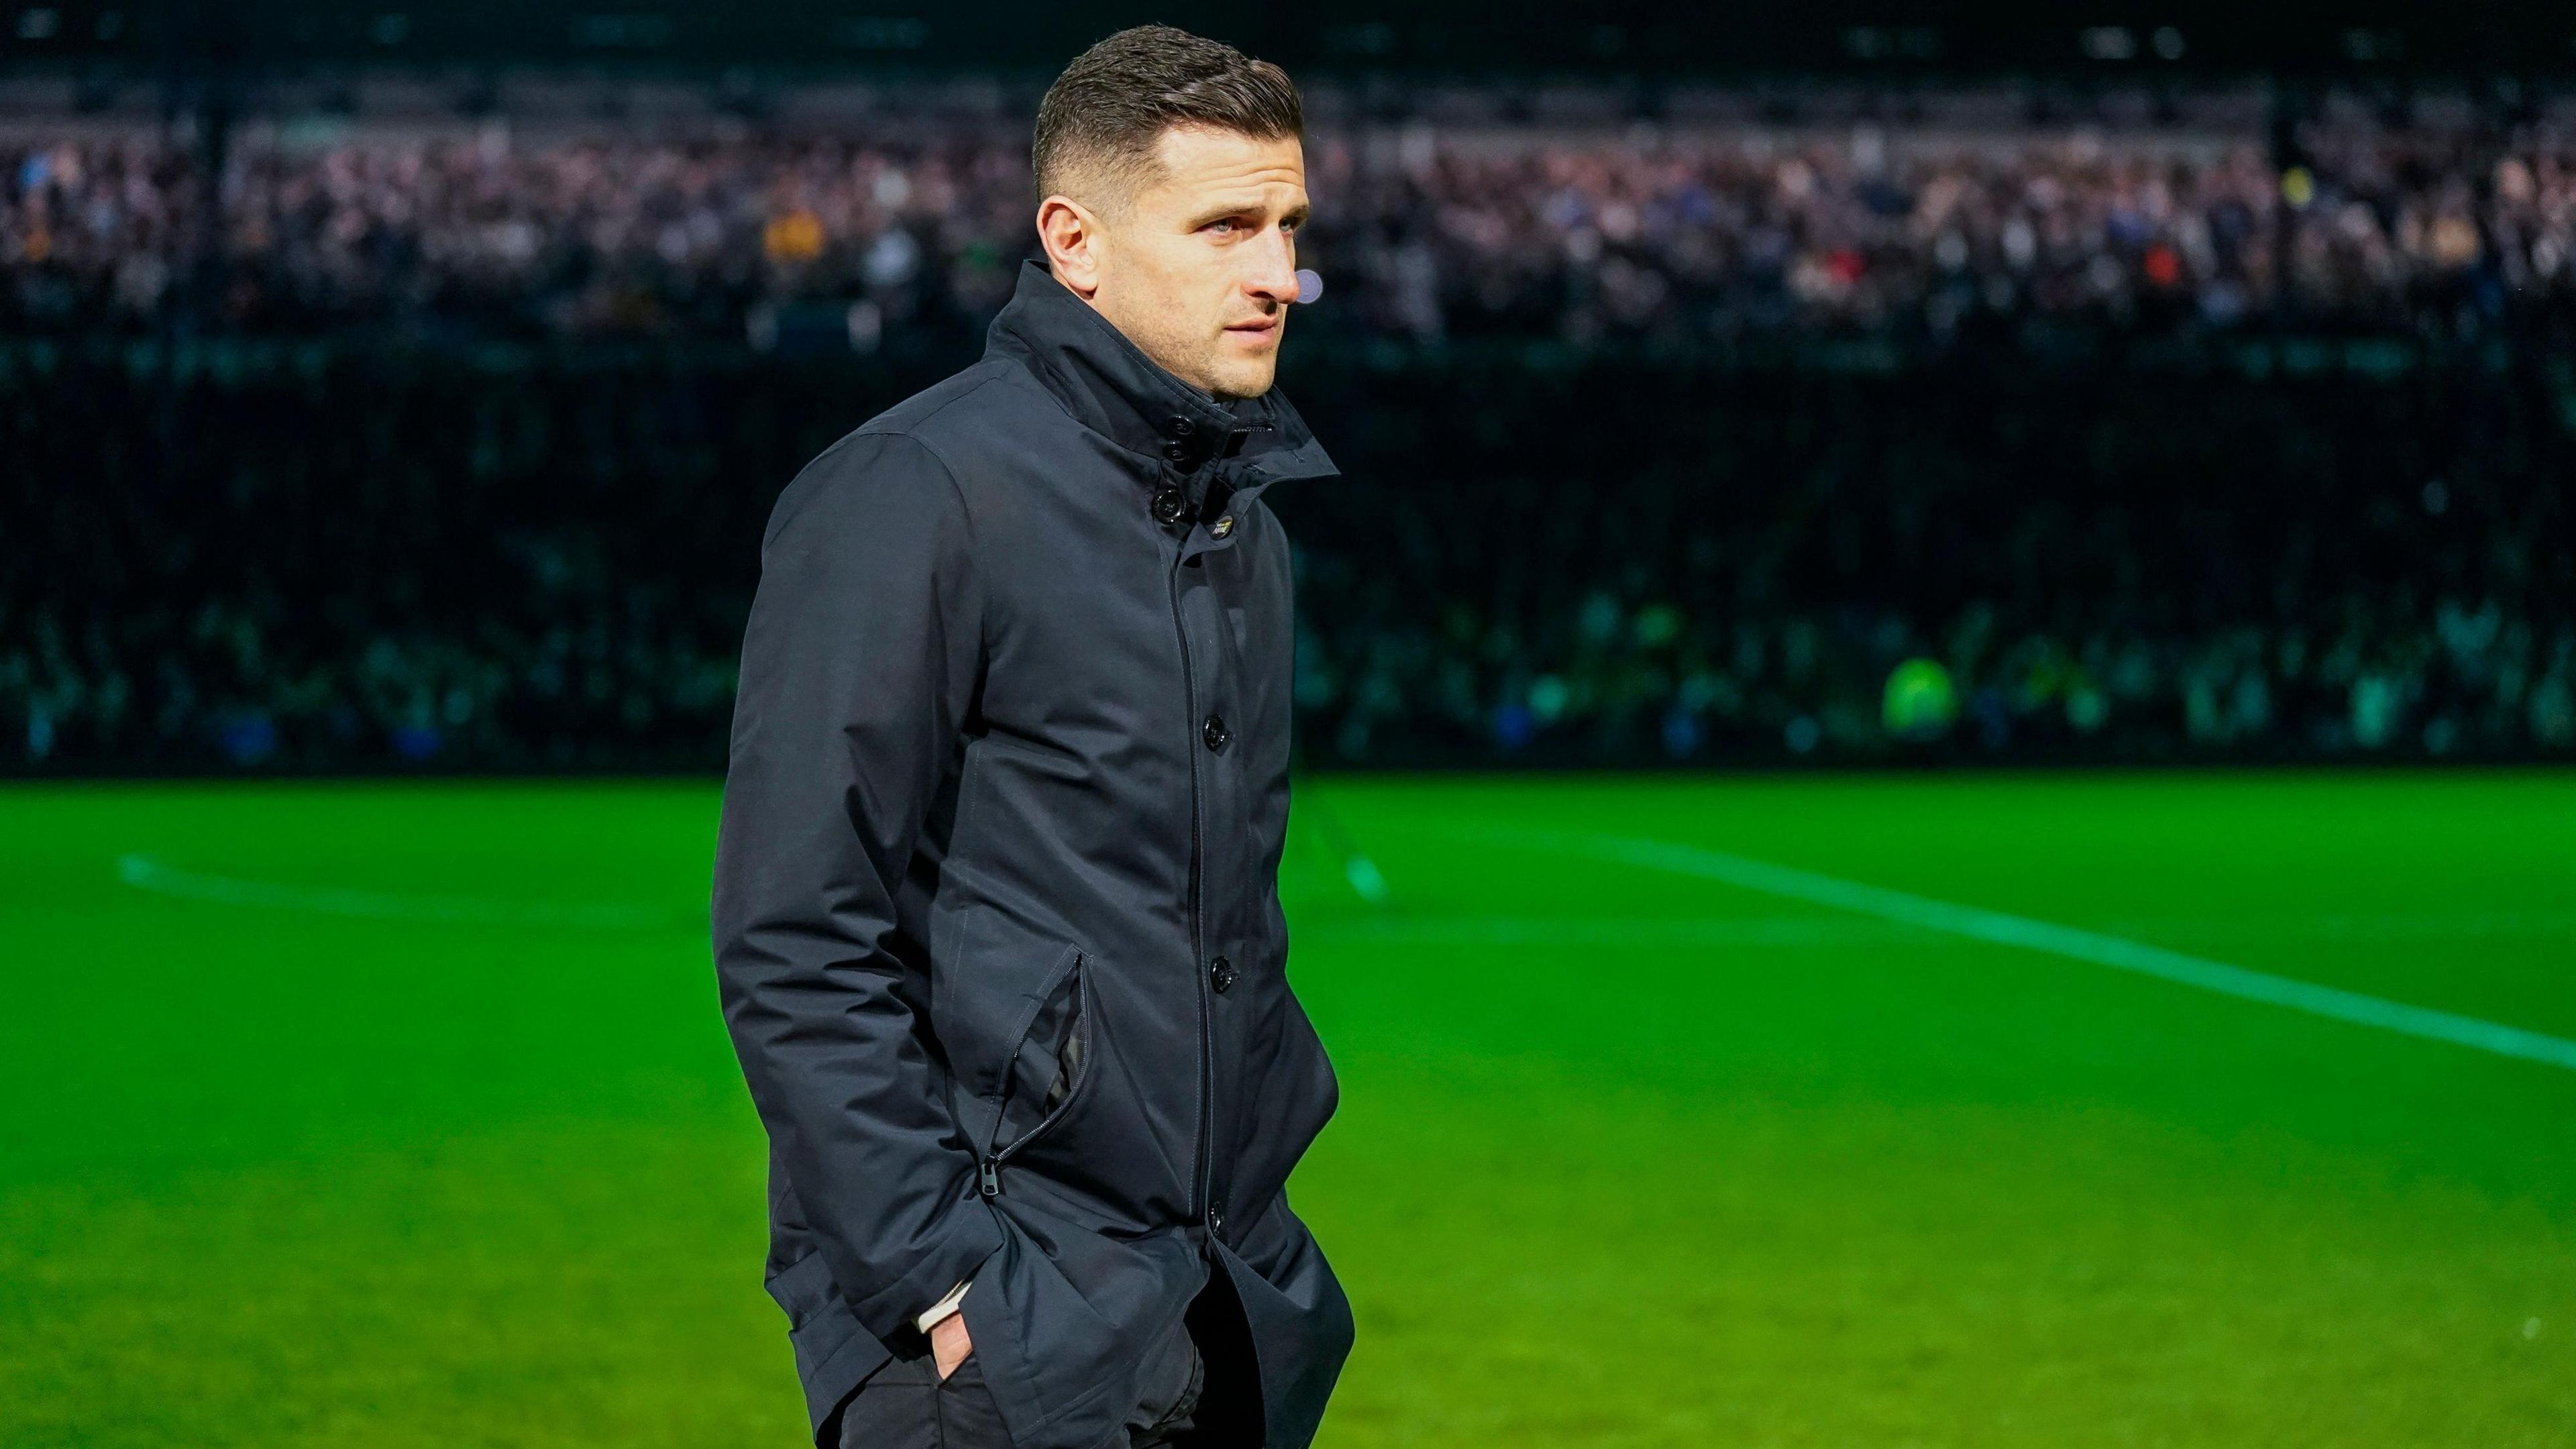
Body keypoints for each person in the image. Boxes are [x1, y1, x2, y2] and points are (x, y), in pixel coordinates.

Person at [711, 24, 1351, 1449]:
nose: (1275, 273)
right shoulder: (911, 492)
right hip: (999, 1334)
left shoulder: (1245, 525)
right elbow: (794, 933)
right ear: (1077, 241)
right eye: (1227, 225)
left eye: (1290, 225)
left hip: (1223, 1308)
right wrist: (948, 1286)